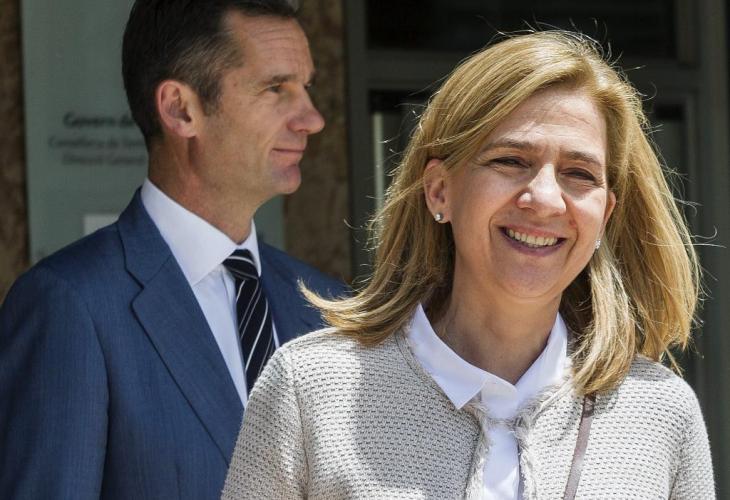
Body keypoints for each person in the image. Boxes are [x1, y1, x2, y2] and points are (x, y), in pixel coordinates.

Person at [221, 31, 715, 499]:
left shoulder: (661, 412)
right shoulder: (309, 387)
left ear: (604, 215)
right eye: (511, 161)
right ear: (440, 190)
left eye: (579, 173)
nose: (545, 199)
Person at [0, 1, 346, 498]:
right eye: (276, 88)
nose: (312, 119)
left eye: (306, 86)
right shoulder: (71, 305)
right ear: (180, 109)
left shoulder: (328, 308)